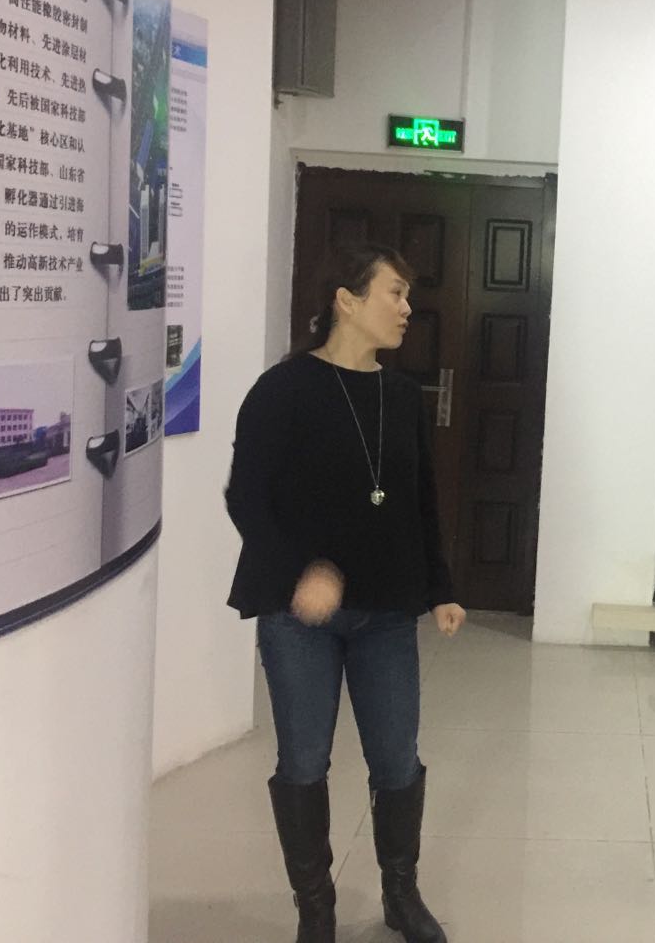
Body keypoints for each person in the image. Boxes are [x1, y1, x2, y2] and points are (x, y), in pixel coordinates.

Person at [225, 243, 466, 943]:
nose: (407, 308)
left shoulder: (403, 395)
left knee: (396, 759)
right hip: (299, 616)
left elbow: (420, 501)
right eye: (395, 293)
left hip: (386, 612)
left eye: (407, 296)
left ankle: (401, 894)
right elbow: (246, 498)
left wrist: (441, 588)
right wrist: (301, 571)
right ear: (347, 301)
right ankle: (316, 909)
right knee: (303, 760)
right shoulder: (281, 390)